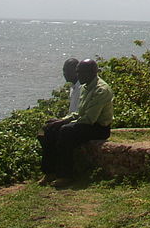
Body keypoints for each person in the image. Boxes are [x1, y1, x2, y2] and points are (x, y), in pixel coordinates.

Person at [39, 59, 114, 187]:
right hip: (86, 123)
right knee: (49, 129)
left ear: (91, 73)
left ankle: (65, 175)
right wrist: (61, 120)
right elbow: (79, 112)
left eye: (80, 72)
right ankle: (50, 172)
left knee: (66, 131)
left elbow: (89, 118)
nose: (78, 75)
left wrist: (65, 123)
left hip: (99, 127)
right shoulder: (86, 87)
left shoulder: (100, 90)